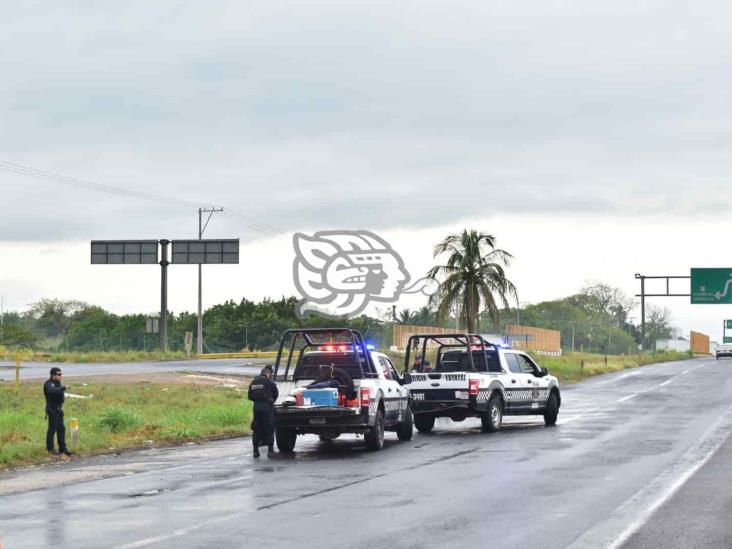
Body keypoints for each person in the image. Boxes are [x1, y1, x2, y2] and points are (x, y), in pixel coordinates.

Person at [248, 365, 279, 458]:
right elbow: (276, 393)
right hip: (267, 408)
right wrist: (271, 400)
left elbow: (249, 396)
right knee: (269, 428)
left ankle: (255, 451)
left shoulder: (253, 383)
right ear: (267, 374)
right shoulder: (269, 382)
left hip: (256, 408)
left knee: (257, 428)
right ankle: (270, 451)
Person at [44, 367, 73, 457]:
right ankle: (50, 448)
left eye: (61, 374)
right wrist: (63, 388)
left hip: (59, 409)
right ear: (53, 375)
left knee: (61, 429)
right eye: (58, 374)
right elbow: (51, 391)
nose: (60, 376)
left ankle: (63, 448)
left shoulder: (58, 383)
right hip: (52, 409)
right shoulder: (49, 384)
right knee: (52, 429)